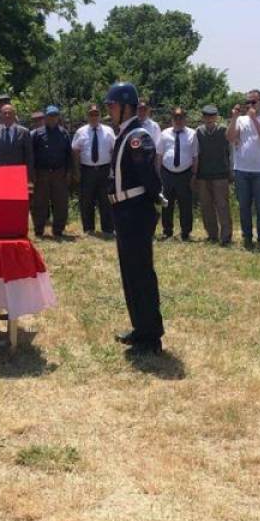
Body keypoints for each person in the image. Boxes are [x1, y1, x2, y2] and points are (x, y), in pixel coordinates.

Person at [105, 82, 164, 355]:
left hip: (136, 210)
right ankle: (140, 327)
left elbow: (149, 176)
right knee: (130, 273)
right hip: (124, 210)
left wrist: (152, 202)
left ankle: (151, 336)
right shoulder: (125, 134)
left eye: (112, 105)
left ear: (126, 107)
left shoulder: (137, 136)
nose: (109, 110)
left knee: (140, 273)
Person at [226, 89, 260, 249]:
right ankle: (247, 237)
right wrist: (234, 118)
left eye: (253, 102)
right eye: (247, 102)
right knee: (244, 206)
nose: (250, 105)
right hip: (242, 169)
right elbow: (230, 137)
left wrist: (254, 119)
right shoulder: (241, 120)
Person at [71, 104, 115, 236]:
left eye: (96, 114)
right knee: (86, 200)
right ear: (87, 116)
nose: (94, 117)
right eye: (91, 114)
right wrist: (76, 170)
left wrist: (113, 170)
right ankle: (88, 229)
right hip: (87, 170)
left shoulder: (108, 131)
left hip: (104, 169)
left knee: (105, 200)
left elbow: (114, 150)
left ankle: (107, 229)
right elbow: (75, 151)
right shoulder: (81, 131)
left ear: (100, 116)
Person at [31, 105, 73, 238]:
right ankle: (39, 229)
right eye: (50, 116)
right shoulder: (37, 134)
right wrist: (32, 173)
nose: (52, 118)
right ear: (45, 117)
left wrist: (69, 172)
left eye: (55, 116)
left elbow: (69, 154)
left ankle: (58, 230)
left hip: (59, 173)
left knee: (60, 202)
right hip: (41, 173)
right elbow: (31, 155)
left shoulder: (64, 133)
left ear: (58, 117)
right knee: (39, 203)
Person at [158, 107, 198, 240]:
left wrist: (194, 175)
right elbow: (159, 155)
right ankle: (167, 231)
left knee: (185, 204)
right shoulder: (164, 134)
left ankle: (186, 233)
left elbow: (195, 156)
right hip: (167, 173)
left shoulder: (192, 134)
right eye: (176, 117)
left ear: (185, 119)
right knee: (166, 203)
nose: (178, 120)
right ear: (172, 119)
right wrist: (158, 174)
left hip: (185, 174)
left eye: (181, 117)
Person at [195, 104, 233, 245]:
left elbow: (231, 151)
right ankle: (212, 235)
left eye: (212, 116)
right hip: (203, 174)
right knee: (206, 206)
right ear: (203, 117)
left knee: (222, 206)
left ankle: (226, 236)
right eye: (206, 116)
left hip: (220, 174)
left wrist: (231, 170)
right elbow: (196, 153)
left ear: (216, 117)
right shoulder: (198, 131)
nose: (209, 118)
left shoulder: (224, 130)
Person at [0, 103, 34, 180]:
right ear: (1, 115)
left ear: (14, 115)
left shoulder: (24, 132)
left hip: (17, 173)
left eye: (10, 113)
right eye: (5, 113)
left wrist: (28, 175)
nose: (7, 115)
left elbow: (29, 155)